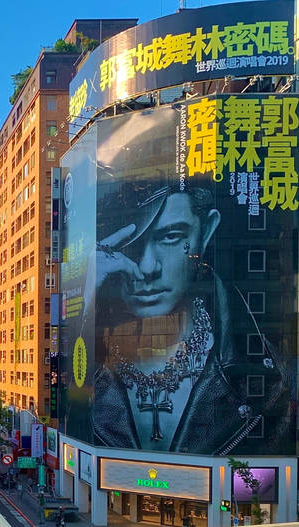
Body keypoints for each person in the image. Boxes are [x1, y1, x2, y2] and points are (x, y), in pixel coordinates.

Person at [74, 109, 294, 455]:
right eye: (129, 246)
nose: (147, 267)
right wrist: (82, 312)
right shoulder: (85, 364)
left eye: (171, 236)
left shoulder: (268, 373)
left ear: (205, 233)